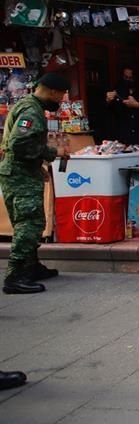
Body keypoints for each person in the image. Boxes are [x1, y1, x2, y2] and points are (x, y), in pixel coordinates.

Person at [1, 72, 70, 294]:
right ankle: (15, 275)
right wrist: (52, 152)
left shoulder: (28, 105)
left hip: (22, 172)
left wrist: (38, 165)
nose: (60, 101)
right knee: (29, 225)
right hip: (20, 177)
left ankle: (31, 267)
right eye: (60, 96)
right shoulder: (31, 110)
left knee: (30, 221)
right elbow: (19, 144)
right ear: (52, 91)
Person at [105, 66, 139, 145]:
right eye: (126, 77)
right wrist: (108, 101)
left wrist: (138, 105)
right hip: (122, 138)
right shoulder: (117, 91)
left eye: (131, 78)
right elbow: (108, 113)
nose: (128, 80)